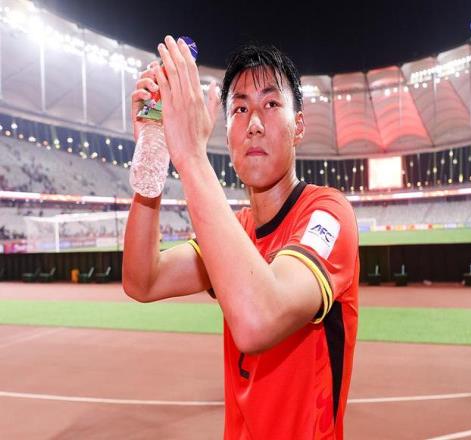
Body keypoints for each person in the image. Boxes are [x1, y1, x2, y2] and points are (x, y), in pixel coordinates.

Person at [123, 35, 359, 440]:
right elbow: (142, 280)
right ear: (227, 131)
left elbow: (258, 321)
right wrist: (154, 153)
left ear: (299, 126)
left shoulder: (327, 213)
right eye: (240, 108)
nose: (254, 123)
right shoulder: (235, 230)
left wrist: (190, 155)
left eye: (271, 105)